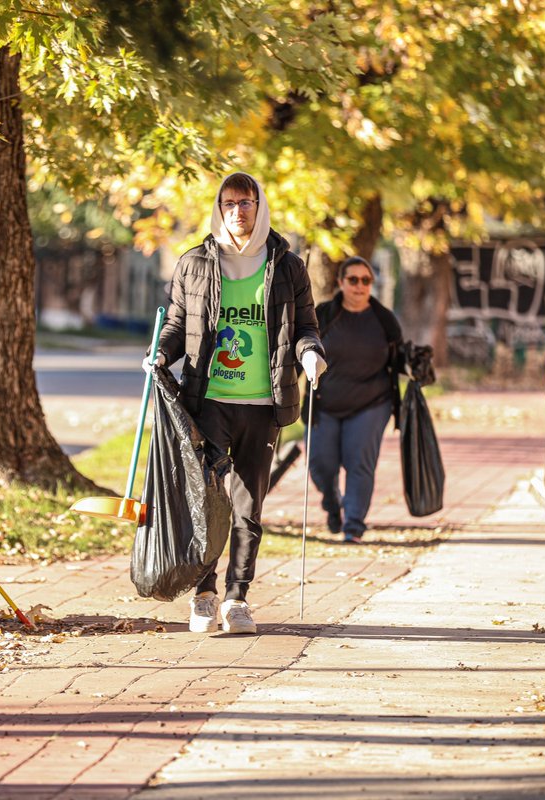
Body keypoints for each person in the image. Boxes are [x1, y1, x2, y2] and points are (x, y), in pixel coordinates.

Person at [148, 172, 325, 635]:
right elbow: (176, 325)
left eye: (246, 202)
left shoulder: (287, 266)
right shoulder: (194, 264)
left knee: (249, 507)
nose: (238, 212)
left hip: (264, 404)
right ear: (219, 208)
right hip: (207, 400)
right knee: (206, 502)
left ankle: (236, 599)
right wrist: (161, 354)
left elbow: (306, 326)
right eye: (229, 203)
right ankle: (203, 595)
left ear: (259, 206)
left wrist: (310, 356)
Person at [308, 256, 403, 544]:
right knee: (321, 465)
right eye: (353, 279)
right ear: (340, 282)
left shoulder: (384, 319)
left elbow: (399, 358)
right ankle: (332, 500)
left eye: (366, 280)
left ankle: (354, 525)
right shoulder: (323, 315)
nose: (360, 286)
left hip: (372, 403)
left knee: (359, 461)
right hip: (325, 402)